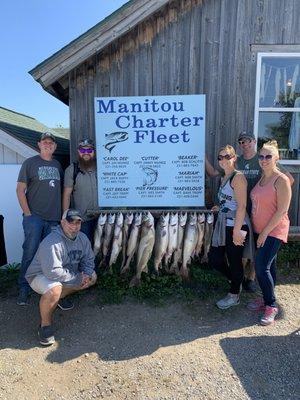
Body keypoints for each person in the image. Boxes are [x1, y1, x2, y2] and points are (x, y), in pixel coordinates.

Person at [25, 209, 97, 346]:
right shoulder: (52, 241)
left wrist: (86, 274)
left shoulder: (82, 238)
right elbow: (52, 272)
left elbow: (89, 259)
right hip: (39, 275)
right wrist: (77, 278)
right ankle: (44, 326)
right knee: (54, 288)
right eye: (70, 222)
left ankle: (58, 299)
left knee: (93, 277)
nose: (74, 226)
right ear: (62, 222)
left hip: (64, 274)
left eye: (78, 223)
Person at [16, 132, 63, 306]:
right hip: (34, 217)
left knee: (50, 256)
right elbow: (20, 190)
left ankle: (48, 288)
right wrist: (28, 214)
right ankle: (23, 287)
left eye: (51, 143)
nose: (48, 145)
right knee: (30, 252)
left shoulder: (58, 165)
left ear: (55, 147)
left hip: (53, 220)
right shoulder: (30, 163)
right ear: (39, 144)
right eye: (44, 142)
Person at [248, 141, 291, 326]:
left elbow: (282, 210)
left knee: (261, 266)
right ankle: (267, 298)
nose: (264, 160)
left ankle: (271, 305)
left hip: (274, 230)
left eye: (268, 156)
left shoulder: (281, 180)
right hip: (259, 230)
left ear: (276, 158)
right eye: (261, 156)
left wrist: (265, 232)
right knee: (269, 267)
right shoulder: (261, 178)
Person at [208, 145, 253, 310]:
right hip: (223, 224)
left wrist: (236, 230)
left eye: (227, 156)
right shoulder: (223, 177)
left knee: (235, 261)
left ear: (234, 158)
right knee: (215, 259)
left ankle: (234, 295)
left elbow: (241, 206)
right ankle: (235, 280)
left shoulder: (238, 177)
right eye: (220, 157)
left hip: (236, 225)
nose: (223, 160)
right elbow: (228, 201)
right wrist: (219, 208)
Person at [63, 138, 98, 244]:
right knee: (83, 248)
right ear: (79, 152)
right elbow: (66, 195)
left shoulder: (102, 168)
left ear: (94, 152)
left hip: (101, 218)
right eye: (83, 150)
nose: (86, 153)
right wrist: (65, 217)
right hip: (82, 220)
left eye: (89, 150)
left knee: (102, 249)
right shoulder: (72, 170)